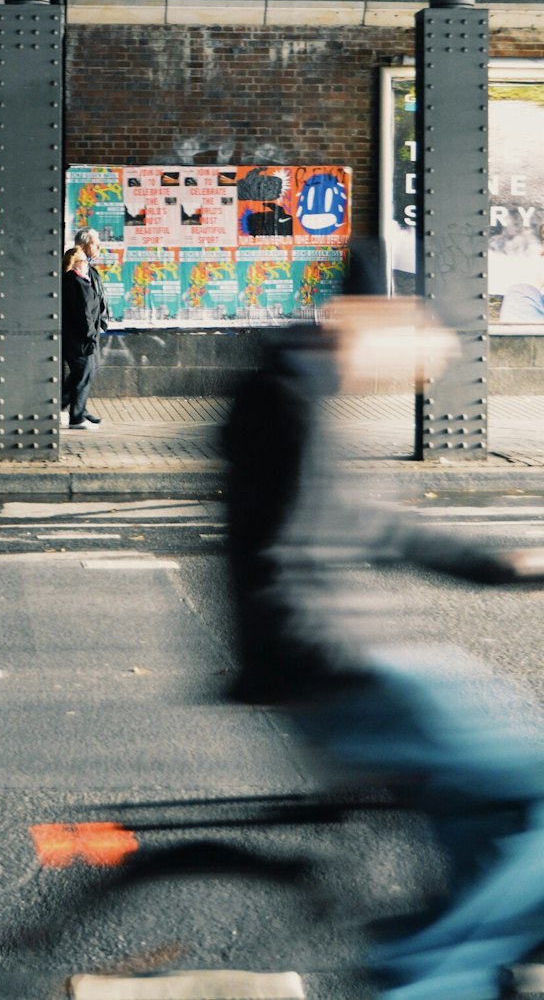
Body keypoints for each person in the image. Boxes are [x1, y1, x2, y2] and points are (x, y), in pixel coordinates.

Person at [222, 243, 544, 1000]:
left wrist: (506, 566)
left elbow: (378, 530)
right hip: (333, 669)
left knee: (489, 802)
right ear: (355, 320)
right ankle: (430, 977)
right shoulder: (282, 403)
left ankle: (474, 958)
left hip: (332, 663)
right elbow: (307, 548)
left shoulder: (292, 390)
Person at [61, 245, 103, 430]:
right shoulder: (77, 283)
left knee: (81, 373)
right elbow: (83, 313)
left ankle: (56, 407)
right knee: (84, 372)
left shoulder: (76, 281)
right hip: (80, 340)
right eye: (84, 261)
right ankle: (76, 417)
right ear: (77, 264)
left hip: (78, 338)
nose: (87, 264)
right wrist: (91, 335)